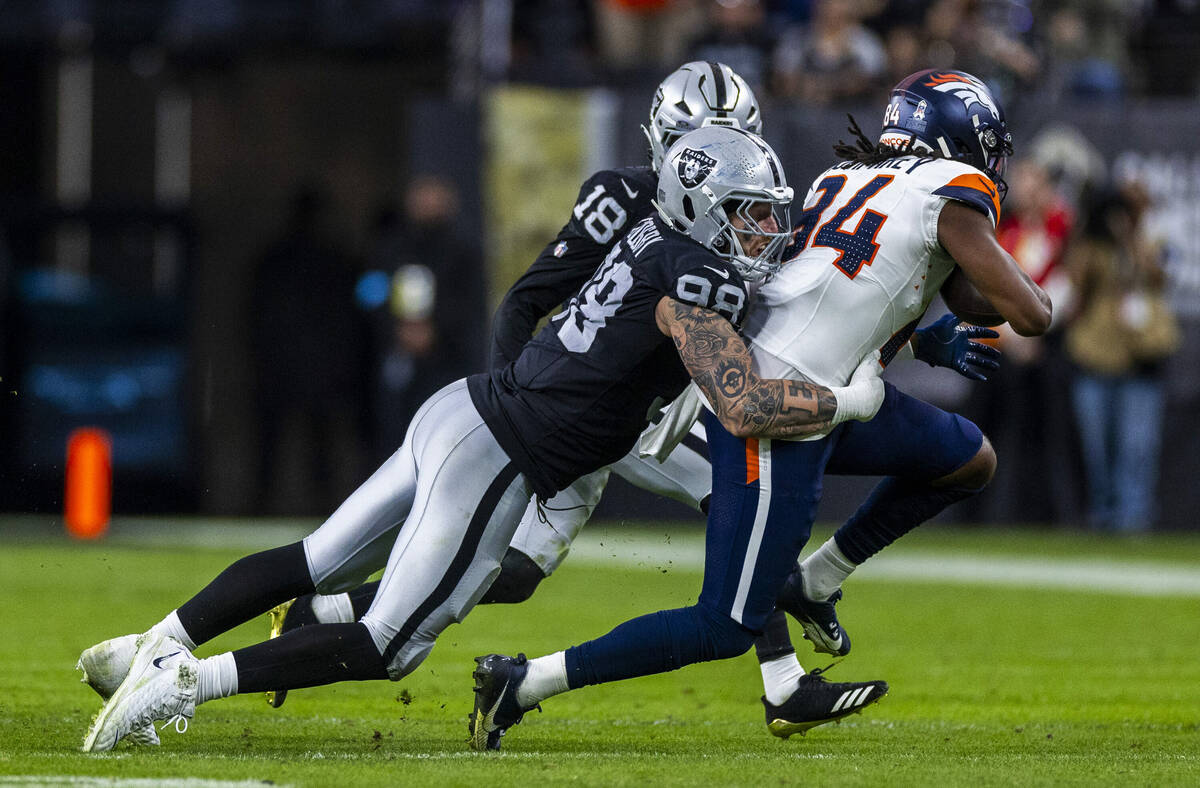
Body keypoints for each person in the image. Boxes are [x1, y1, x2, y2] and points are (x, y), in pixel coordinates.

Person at [78, 126, 891, 753]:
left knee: (315, 560)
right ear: (703, 206)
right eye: (751, 214)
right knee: (389, 645)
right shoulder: (692, 272)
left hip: (465, 408)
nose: (765, 230)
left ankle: (145, 647)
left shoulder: (652, 241)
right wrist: (850, 398)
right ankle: (181, 680)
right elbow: (745, 403)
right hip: (503, 451)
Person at [260, 61, 1001, 736]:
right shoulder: (622, 197)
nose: (719, 155)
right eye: (703, 140)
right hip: (587, 409)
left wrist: (919, 330)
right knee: (546, 559)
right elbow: (524, 301)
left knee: (523, 574)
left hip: (660, 404)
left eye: (732, 138)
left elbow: (802, 296)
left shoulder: (739, 208)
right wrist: (522, 421)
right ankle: (779, 679)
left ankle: (781, 680)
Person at [469, 68, 1052, 750]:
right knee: (723, 626)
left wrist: (934, 320)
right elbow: (1029, 314)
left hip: (821, 383)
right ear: (962, 139)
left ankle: (814, 583)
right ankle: (525, 681)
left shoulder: (855, 177)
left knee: (966, 459)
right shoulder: (954, 193)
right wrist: (1044, 289)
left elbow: (914, 276)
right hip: (783, 404)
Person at [1064, 183, 1178, 532]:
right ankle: (1101, 514)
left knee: (1137, 446)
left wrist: (1131, 235)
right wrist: (1089, 230)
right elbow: (1076, 283)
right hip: (1095, 353)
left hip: (1142, 356)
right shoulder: (1090, 243)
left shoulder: (1153, 237)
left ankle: (1133, 518)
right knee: (1097, 444)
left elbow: (1158, 276)